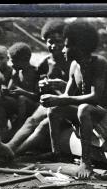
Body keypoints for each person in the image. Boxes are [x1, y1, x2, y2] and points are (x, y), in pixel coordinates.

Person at [0, 19, 70, 164]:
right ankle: (9, 146)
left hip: (67, 104)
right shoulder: (46, 63)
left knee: (44, 124)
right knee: (31, 120)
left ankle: (13, 154)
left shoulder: (72, 60)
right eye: (50, 41)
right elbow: (37, 89)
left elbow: (79, 89)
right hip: (49, 102)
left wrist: (62, 85)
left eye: (58, 41)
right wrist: (43, 86)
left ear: (66, 40)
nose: (53, 46)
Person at [41, 19, 107, 179]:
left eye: (67, 45)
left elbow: (95, 97)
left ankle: (86, 162)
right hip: (89, 113)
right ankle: (57, 154)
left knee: (84, 108)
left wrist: (61, 100)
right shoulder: (74, 66)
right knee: (54, 109)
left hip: (103, 114)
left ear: (81, 47)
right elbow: (66, 96)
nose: (63, 50)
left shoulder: (99, 63)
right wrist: (52, 99)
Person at [0, 42, 40, 142]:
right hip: (19, 103)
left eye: (13, 61)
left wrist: (23, 92)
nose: (11, 64)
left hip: (32, 105)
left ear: (23, 60)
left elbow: (38, 97)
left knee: (22, 99)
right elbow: (10, 90)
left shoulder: (35, 72)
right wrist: (5, 91)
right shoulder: (16, 72)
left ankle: (18, 131)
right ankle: (3, 133)